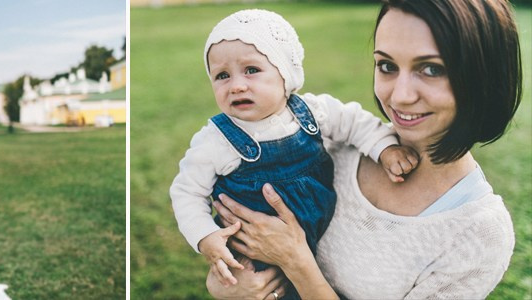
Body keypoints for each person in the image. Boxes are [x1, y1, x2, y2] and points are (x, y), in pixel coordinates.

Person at [208, 0, 521, 298]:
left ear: (483, 74)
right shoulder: (328, 144)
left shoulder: (479, 234)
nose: (399, 96)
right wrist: (225, 283)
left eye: (431, 69)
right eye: (386, 65)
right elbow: (233, 252)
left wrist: (296, 261)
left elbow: (288, 254)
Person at [169, 9, 419, 299]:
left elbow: (356, 123)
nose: (236, 85)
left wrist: (385, 149)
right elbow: (186, 192)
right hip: (254, 256)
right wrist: (205, 236)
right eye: (222, 76)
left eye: (251, 70)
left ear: (285, 74)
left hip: (318, 242)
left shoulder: (311, 112)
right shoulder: (216, 139)